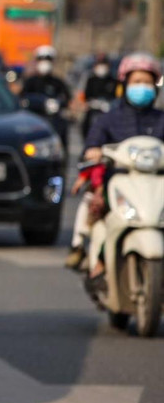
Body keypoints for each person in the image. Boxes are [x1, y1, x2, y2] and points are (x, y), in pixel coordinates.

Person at [66, 51, 164, 270]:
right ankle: (87, 251)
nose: (143, 87)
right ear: (125, 84)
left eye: (148, 83)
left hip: (156, 185)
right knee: (93, 203)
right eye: (137, 81)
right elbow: (92, 144)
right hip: (118, 183)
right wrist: (94, 151)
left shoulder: (160, 120)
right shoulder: (110, 119)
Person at [79, 53, 116, 138]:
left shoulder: (113, 81)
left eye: (104, 64)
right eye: (99, 64)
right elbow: (84, 97)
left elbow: (117, 98)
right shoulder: (90, 80)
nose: (101, 67)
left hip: (109, 114)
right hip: (92, 114)